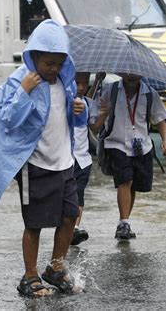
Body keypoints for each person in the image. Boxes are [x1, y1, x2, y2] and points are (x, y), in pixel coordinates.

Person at [0, 20, 87, 296]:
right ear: (34, 57)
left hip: (64, 162)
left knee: (70, 216)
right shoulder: (23, 78)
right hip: (37, 165)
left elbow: (75, 123)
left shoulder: (65, 83)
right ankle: (29, 276)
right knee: (35, 223)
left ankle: (55, 268)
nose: (53, 69)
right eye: (48, 63)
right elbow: (7, 119)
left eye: (58, 63)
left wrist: (81, 109)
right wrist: (24, 91)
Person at [97, 73, 166, 240]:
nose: (131, 76)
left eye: (134, 73)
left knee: (133, 184)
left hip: (141, 146)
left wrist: (165, 141)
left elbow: (160, 119)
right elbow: (98, 112)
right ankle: (123, 222)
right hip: (116, 143)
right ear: (121, 72)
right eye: (127, 72)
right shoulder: (111, 90)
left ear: (142, 73)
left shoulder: (150, 93)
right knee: (125, 181)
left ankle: (125, 222)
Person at [71, 72, 107, 245]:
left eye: (84, 83)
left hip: (82, 157)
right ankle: (66, 225)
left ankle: (75, 228)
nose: (80, 87)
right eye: (77, 82)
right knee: (66, 193)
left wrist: (104, 114)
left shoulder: (87, 103)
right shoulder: (64, 102)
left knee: (79, 192)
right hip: (64, 157)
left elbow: (94, 127)